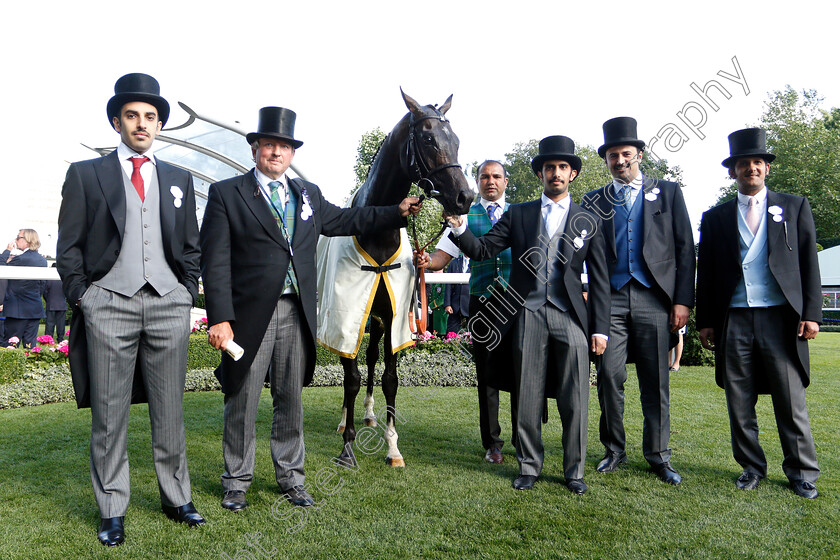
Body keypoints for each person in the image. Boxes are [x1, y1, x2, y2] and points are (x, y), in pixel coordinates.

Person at [200, 106, 421, 513]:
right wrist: (220, 317)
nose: (276, 153)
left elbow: (349, 219)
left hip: (295, 314)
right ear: (255, 150)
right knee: (242, 397)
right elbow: (213, 262)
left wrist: (395, 212)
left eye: (284, 146)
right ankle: (236, 481)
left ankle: (291, 478)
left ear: (291, 152)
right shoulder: (226, 194)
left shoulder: (308, 195)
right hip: (249, 316)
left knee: (290, 399)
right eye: (269, 145)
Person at [57, 73, 204, 546]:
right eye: (133, 116)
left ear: (159, 125)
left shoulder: (178, 178)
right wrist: (85, 297)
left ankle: (176, 496)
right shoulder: (86, 173)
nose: (142, 124)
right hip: (109, 306)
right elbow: (69, 247)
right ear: (117, 121)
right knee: (109, 412)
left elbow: (190, 246)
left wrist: (186, 291)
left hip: (168, 304)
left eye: (150, 117)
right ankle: (112, 507)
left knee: (170, 409)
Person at [445, 137, 609, 493]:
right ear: (540, 174)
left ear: (573, 174)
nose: (556, 173)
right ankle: (529, 466)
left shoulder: (588, 218)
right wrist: (459, 228)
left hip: (571, 317)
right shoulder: (519, 214)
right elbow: (484, 248)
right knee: (528, 394)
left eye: (562, 167)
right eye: (549, 167)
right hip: (527, 313)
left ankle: (574, 472)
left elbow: (600, 280)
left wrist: (601, 330)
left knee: (575, 396)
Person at [697, 128, 821, 499]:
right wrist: (706, 320)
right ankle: (752, 467)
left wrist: (811, 312)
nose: (750, 168)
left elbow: (808, 264)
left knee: (790, 397)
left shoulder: (795, 206)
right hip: (734, 317)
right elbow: (709, 272)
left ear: (766, 168)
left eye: (757, 162)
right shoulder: (715, 216)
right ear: (732, 171)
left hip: (780, 318)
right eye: (743, 163)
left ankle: (801, 472)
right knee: (739, 399)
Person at [581, 117, 695, 485]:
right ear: (606, 160)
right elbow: (583, 256)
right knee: (609, 376)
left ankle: (659, 455)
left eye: (626, 153)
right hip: (610, 300)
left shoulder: (668, 192)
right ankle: (614, 449)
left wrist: (682, 301)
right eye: (613, 155)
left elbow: (685, 250)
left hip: (654, 298)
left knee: (655, 380)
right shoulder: (593, 200)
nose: (620, 160)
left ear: (639, 155)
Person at [416, 160, 518, 464]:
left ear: (506, 181)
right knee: (487, 374)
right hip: (482, 302)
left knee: (521, 371)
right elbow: (441, 257)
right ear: (477, 181)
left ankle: (522, 438)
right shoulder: (463, 217)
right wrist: (425, 260)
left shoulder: (520, 214)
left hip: (517, 303)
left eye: (496, 176)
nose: (490, 181)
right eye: (484, 176)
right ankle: (493, 443)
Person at [0, 229, 47, 347]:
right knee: (30, 348)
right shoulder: (42, 260)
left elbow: (2, 268)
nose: (15, 240)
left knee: (10, 345)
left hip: (17, 309)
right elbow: (42, 284)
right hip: (34, 308)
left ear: (27, 240)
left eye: (18, 237)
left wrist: (7, 250)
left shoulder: (21, 259)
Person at [443, 254, 470, 333]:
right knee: (451, 333)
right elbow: (448, 284)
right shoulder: (454, 263)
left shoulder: (477, 262)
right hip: (455, 304)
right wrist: (447, 304)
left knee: (474, 334)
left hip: (470, 303)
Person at [44, 263, 67, 343]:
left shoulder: (48, 279)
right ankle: (60, 339)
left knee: (50, 324)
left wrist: (48, 300)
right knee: (61, 324)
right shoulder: (64, 279)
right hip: (62, 304)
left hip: (51, 304)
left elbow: (45, 292)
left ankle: (48, 339)